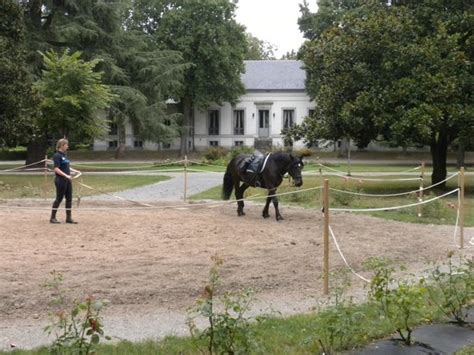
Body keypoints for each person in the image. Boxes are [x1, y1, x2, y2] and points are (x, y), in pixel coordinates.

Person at [50, 138, 81, 224]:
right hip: (60, 180)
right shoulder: (57, 156)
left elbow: (66, 167)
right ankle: (52, 218)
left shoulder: (65, 155)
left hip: (67, 180)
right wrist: (66, 175)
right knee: (59, 198)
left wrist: (74, 171)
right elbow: (56, 169)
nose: (67, 146)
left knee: (69, 199)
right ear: (62, 145)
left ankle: (68, 218)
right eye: (66, 145)